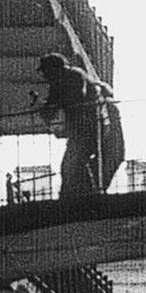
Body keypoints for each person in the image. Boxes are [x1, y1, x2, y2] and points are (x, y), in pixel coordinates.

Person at [36, 53, 124, 197]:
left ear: (54, 69)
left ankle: (82, 195)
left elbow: (76, 97)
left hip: (89, 128)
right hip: (81, 130)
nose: (45, 76)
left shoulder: (74, 75)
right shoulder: (59, 82)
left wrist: (53, 106)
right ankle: (85, 193)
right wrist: (46, 107)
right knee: (72, 165)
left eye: (46, 71)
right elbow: (53, 106)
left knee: (71, 165)